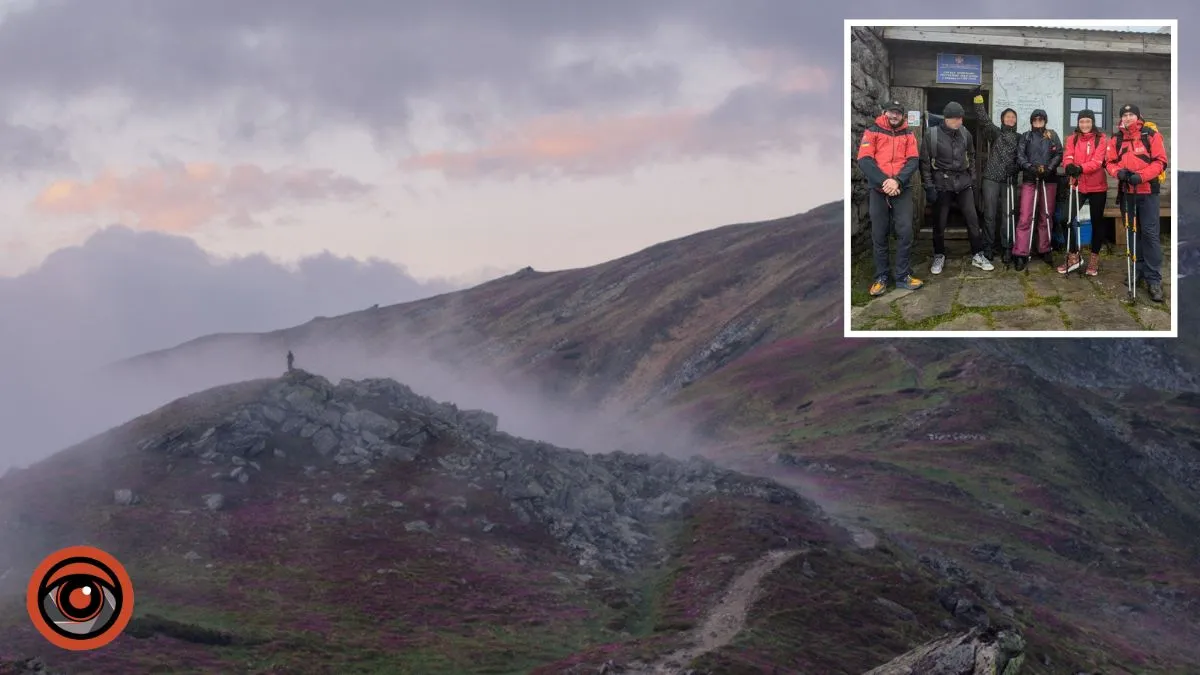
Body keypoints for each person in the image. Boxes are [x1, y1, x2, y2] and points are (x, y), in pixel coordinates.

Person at [857, 100, 924, 296]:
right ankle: (882, 276)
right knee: (879, 234)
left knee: (905, 232)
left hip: (901, 189)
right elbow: (864, 160)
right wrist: (885, 182)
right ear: (885, 112)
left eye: (898, 113)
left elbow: (913, 161)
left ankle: (903, 275)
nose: (894, 116)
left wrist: (897, 181)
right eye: (891, 112)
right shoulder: (872, 131)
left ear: (903, 116)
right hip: (879, 190)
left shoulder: (909, 134)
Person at [920, 101, 992, 274]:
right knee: (940, 223)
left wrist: (973, 179)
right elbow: (924, 163)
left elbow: (972, 156)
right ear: (946, 118)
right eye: (955, 119)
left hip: (964, 183)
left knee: (973, 220)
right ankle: (939, 255)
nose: (959, 122)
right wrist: (928, 186)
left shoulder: (965, 133)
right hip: (942, 184)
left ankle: (977, 254)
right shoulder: (932, 135)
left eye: (960, 118)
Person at [1106, 103, 1168, 302]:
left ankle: (1153, 278)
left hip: (1148, 191)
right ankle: (1136, 269)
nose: (1128, 118)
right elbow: (1109, 162)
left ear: (1138, 116)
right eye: (1125, 115)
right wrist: (1119, 173)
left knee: (1149, 234)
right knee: (1132, 232)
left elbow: (1160, 162)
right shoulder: (1116, 138)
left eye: (1131, 114)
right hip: (1127, 193)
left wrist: (1140, 177)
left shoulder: (1150, 134)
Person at [971, 88, 1020, 264]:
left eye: (1013, 117)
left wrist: (1015, 168)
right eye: (1007, 116)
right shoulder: (995, 133)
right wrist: (978, 99)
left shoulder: (1020, 138)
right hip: (991, 178)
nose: (1010, 119)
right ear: (1002, 119)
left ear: (1016, 121)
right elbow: (983, 120)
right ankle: (988, 247)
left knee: (1008, 215)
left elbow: (1022, 157)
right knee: (990, 215)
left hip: (1009, 180)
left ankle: (1008, 248)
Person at [1013, 109, 1063, 271]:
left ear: (1045, 120)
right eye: (1035, 119)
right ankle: (1021, 252)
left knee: (1046, 215)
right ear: (1031, 121)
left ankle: (1044, 248)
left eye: (1041, 119)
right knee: (1026, 215)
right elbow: (1020, 156)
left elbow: (1059, 153)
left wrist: (1049, 168)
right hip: (1030, 179)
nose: (1038, 121)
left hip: (1048, 180)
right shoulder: (1025, 136)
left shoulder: (1052, 135)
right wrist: (1029, 167)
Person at [1060, 110, 1108, 275]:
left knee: (1097, 222)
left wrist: (1080, 168)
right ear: (1078, 123)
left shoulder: (1101, 139)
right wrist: (1069, 166)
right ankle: (1074, 255)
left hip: (1097, 187)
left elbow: (1097, 161)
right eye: (1082, 122)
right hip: (1077, 185)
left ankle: (1094, 258)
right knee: (1065, 218)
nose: (1085, 125)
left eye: (1088, 121)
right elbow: (1067, 156)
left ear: (1092, 122)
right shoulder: (1072, 138)